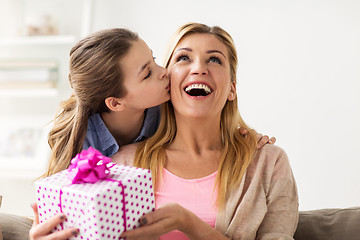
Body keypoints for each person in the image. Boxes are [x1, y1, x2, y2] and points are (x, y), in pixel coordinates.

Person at [29, 27, 275, 240]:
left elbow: (207, 113)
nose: (163, 71)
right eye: (147, 73)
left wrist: (241, 135)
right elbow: (62, 212)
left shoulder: (163, 106)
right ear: (115, 103)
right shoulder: (86, 145)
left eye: (155, 59)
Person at [111, 22, 299, 240]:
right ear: (167, 81)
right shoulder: (123, 165)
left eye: (214, 59)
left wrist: (188, 223)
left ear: (232, 89)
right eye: (183, 58)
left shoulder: (268, 163)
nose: (199, 68)